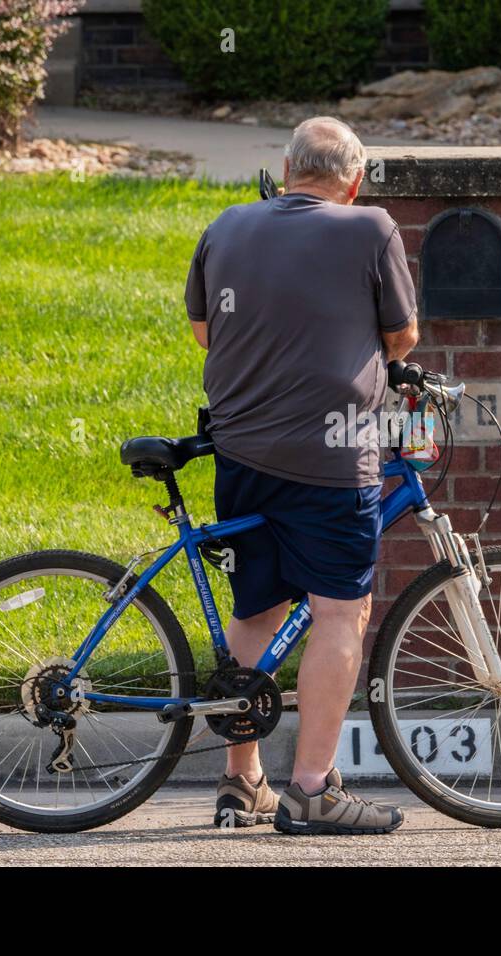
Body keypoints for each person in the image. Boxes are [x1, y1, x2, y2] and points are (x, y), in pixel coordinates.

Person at [184, 116, 419, 835]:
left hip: (241, 452)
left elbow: (202, 331)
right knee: (340, 613)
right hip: (331, 457)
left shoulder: (227, 225)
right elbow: (402, 336)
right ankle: (312, 790)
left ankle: (242, 782)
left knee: (256, 609)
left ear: (285, 170)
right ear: (354, 180)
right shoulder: (370, 227)